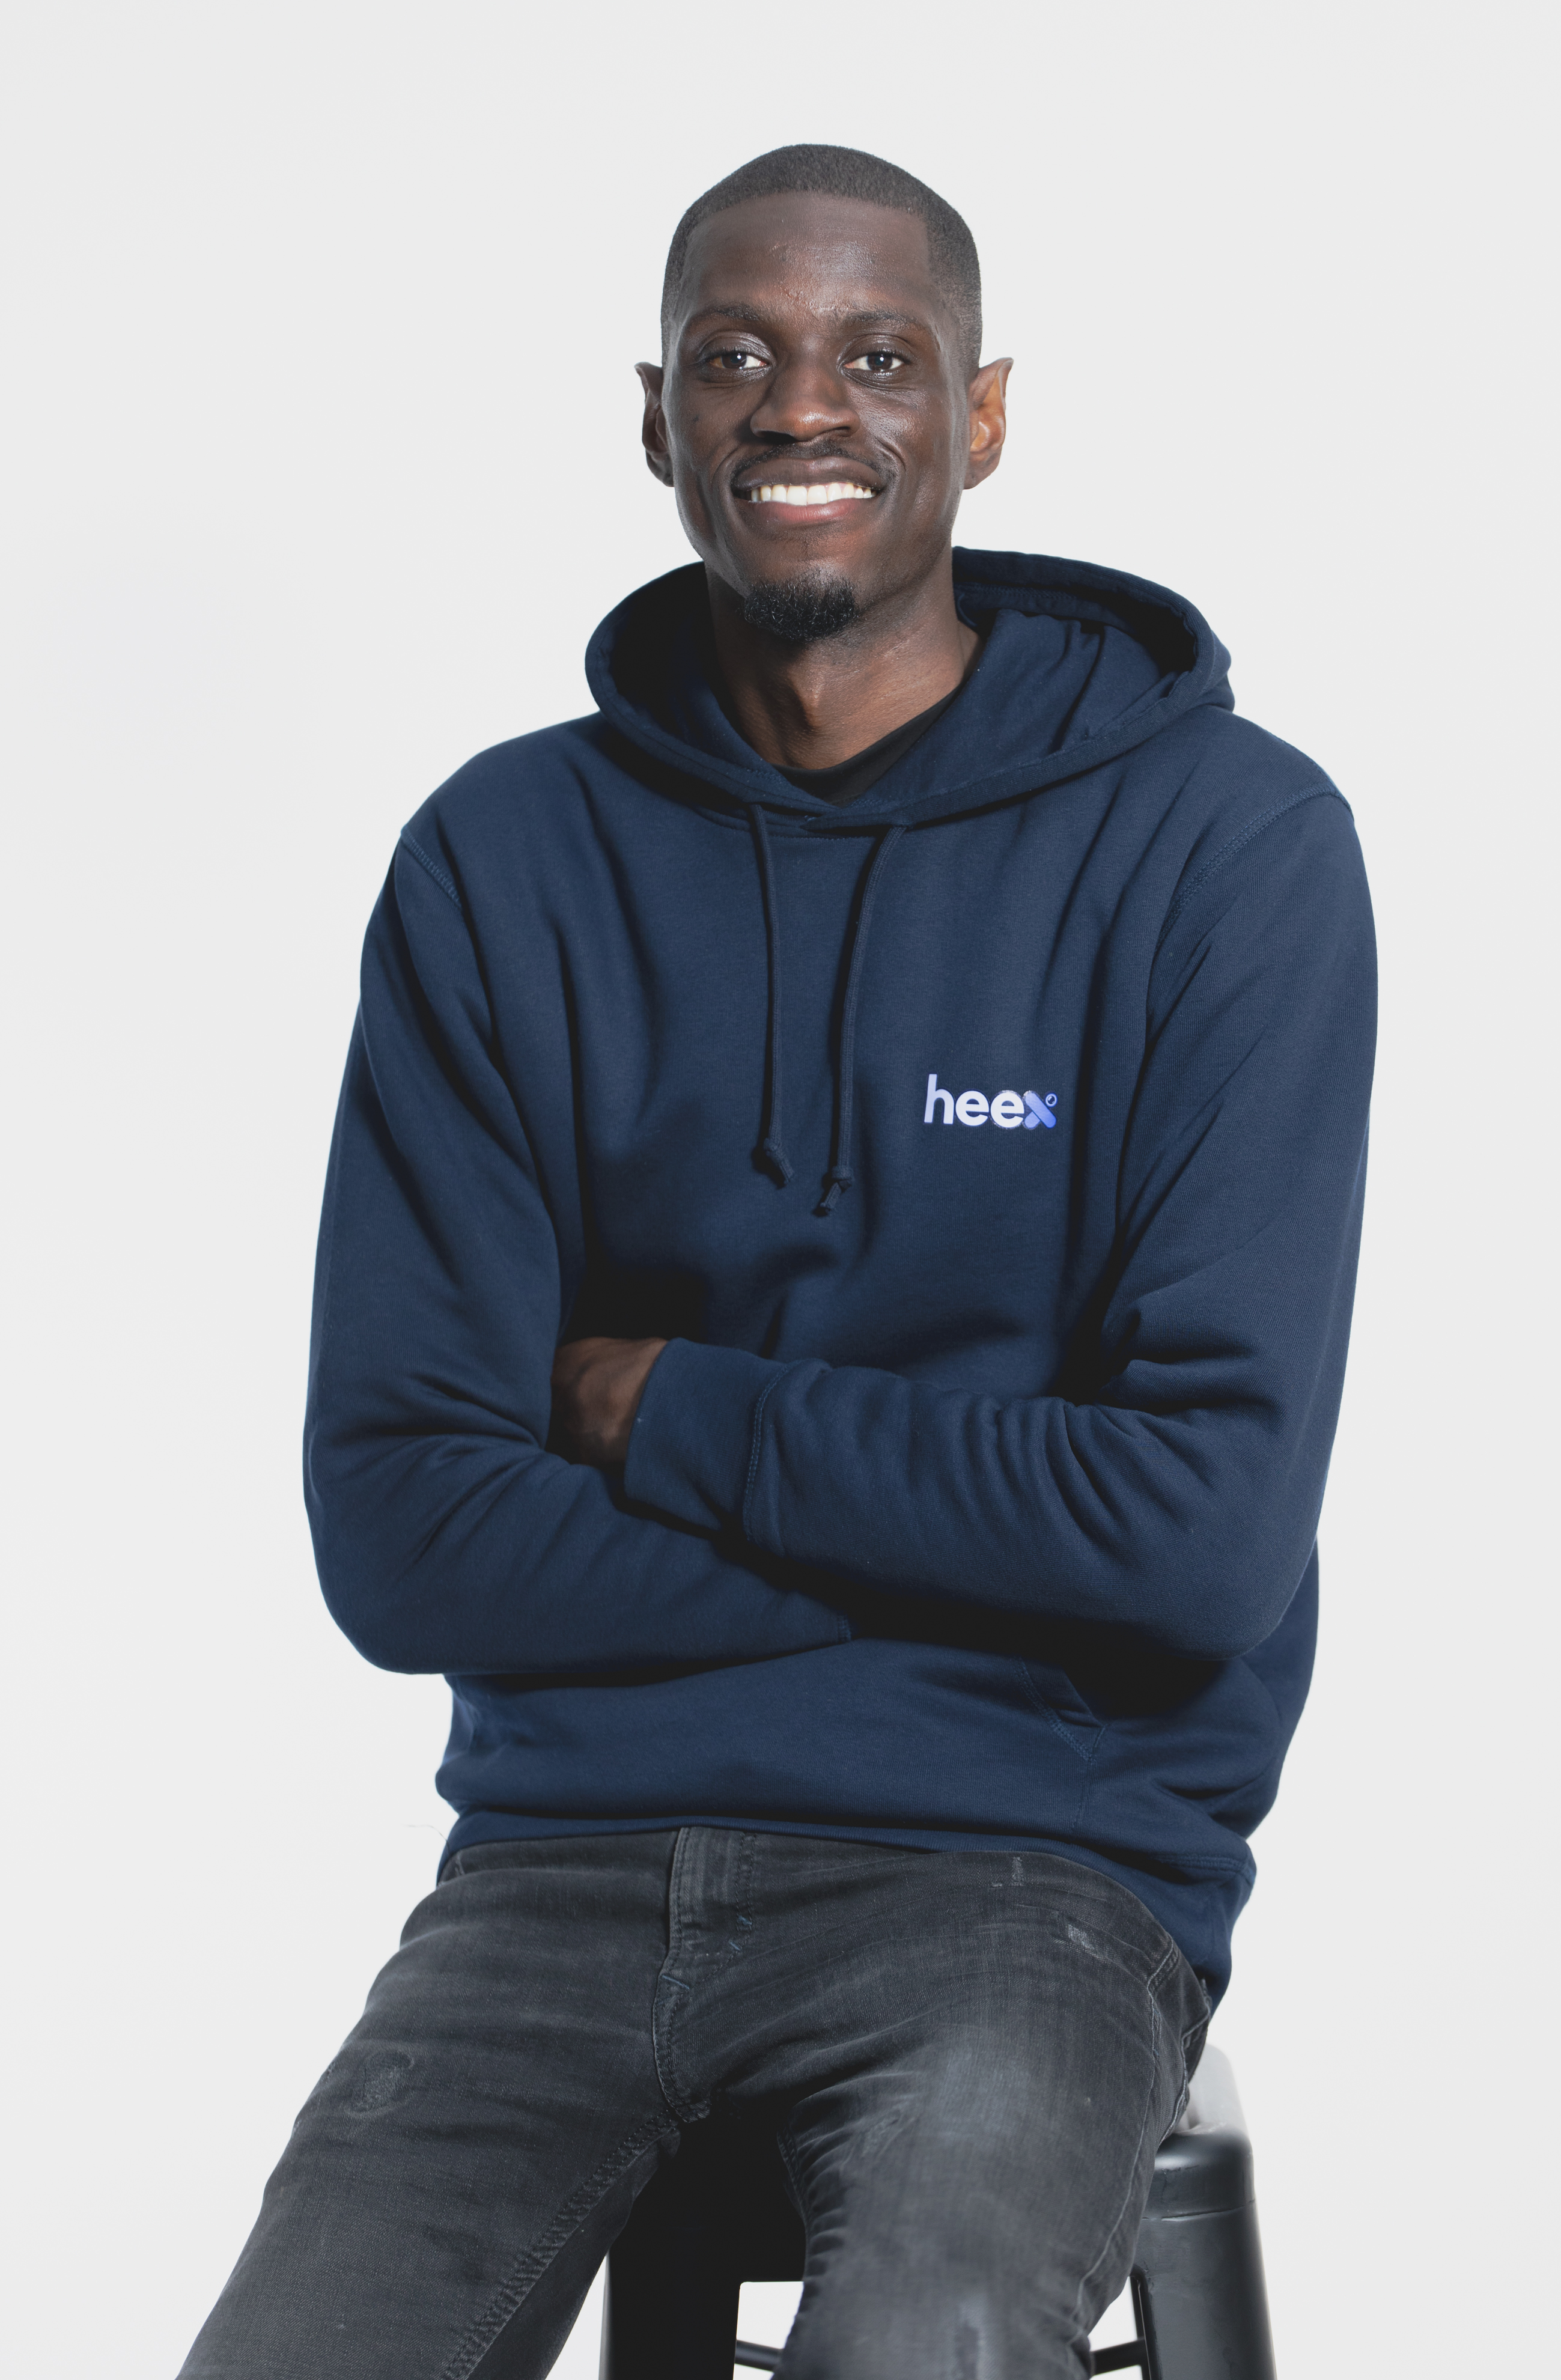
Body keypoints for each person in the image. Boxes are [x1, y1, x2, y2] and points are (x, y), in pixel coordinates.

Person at [180, 144, 1377, 2380]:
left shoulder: (1228, 849)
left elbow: (1202, 1536)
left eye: (876, 357)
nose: (801, 408)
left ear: (984, 414)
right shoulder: (501, 861)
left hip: (1031, 1868)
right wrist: (1003, 1543)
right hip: (560, 1870)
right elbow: (404, 1531)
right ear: (654, 419)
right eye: (736, 357)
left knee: (912, 2347)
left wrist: (671, 1411)